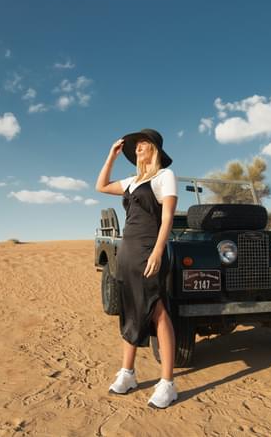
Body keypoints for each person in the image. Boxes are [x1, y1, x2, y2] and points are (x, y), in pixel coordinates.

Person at [95, 128, 178, 409]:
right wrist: (111, 156)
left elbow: (167, 218)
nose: (138, 148)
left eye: (143, 144)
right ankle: (127, 373)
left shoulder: (164, 177)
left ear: (154, 148)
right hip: (128, 251)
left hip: (148, 249)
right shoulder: (132, 181)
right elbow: (101, 186)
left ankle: (167, 383)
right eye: (137, 146)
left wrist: (157, 250)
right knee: (130, 308)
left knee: (156, 308)